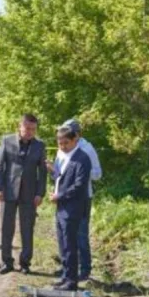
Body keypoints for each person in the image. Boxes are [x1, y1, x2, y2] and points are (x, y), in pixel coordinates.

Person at [0, 114, 47, 274]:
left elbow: (42, 172)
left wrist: (40, 193)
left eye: (33, 129)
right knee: (6, 228)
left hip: (30, 194)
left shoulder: (40, 145)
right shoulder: (6, 140)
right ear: (20, 127)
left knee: (27, 229)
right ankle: (7, 262)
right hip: (8, 191)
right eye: (27, 128)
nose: (30, 132)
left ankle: (25, 263)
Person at [51, 119, 101, 282]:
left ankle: (84, 269)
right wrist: (54, 171)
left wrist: (81, 174)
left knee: (80, 235)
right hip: (63, 199)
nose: (63, 144)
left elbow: (97, 174)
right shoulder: (62, 149)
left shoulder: (86, 150)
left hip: (82, 197)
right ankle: (68, 269)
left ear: (76, 135)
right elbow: (60, 173)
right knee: (64, 236)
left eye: (68, 136)